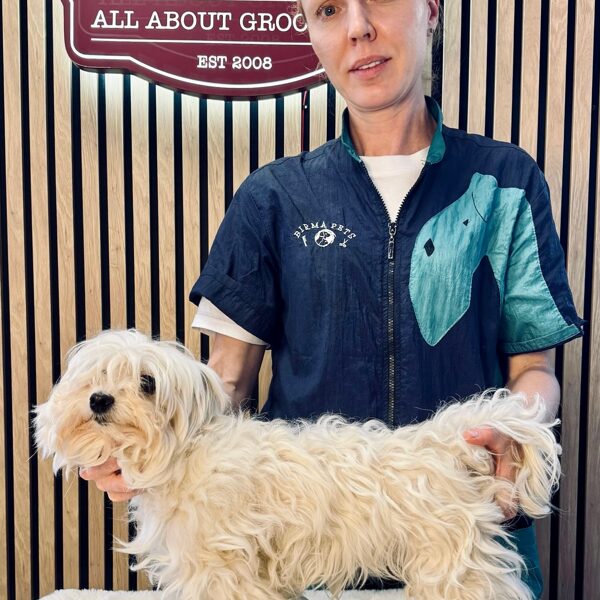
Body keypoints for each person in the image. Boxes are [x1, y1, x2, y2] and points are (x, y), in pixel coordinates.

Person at [82, 0, 583, 596]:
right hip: (303, 551)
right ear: (309, 30)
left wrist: (515, 432)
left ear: (430, 9)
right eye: (328, 9)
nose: (358, 28)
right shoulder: (272, 196)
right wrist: (148, 435)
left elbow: (533, 370)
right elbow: (226, 383)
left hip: (468, 529)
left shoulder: (505, 181)